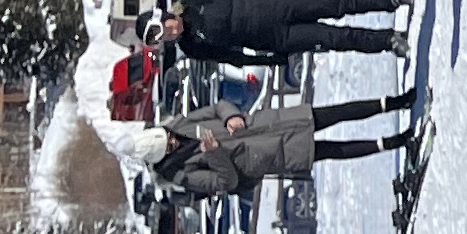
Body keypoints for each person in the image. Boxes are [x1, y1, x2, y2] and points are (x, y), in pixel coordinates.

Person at [144, 92, 419, 197]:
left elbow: (217, 107)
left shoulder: (180, 124)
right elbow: (225, 183)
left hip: (269, 124)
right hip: (267, 155)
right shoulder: (185, 175)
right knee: (332, 150)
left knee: (335, 113)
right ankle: (393, 142)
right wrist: (215, 154)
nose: (172, 139)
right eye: (167, 145)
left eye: (166, 135)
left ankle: (394, 102)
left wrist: (231, 117)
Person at [170, 0, 410, 62]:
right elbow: (231, 56)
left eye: (164, 27)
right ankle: (388, 41)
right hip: (275, 38)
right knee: (335, 38)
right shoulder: (191, 45)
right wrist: (269, 61)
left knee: (337, 4)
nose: (171, 31)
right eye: (164, 37)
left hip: (276, 4)